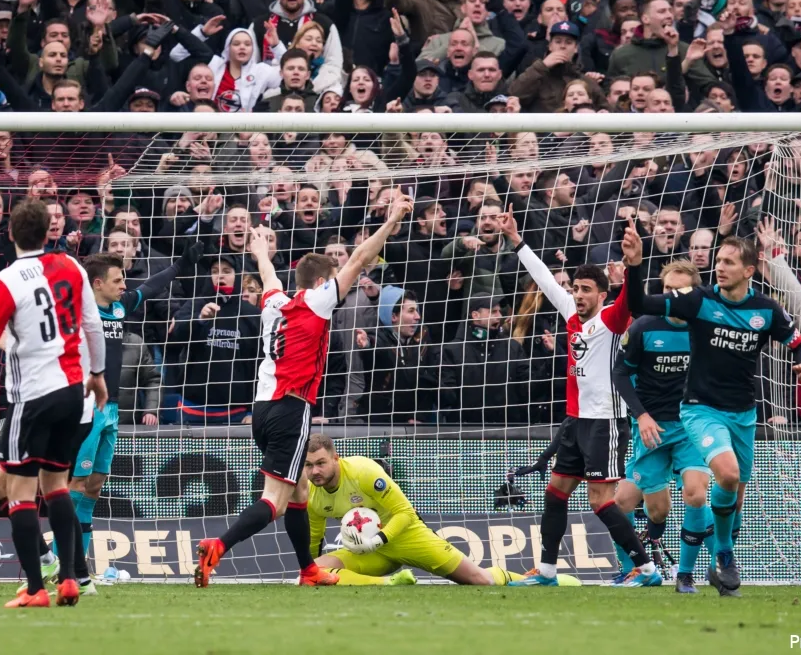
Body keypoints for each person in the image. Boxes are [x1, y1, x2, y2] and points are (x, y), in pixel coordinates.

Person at [193, 190, 415, 588]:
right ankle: (218, 545)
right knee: (275, 501)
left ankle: (308, 569)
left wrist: (260, 251)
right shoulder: (317, 301)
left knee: (298, 492)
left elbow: (269, 276)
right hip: (290, 410)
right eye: (334, 280)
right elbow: (361, 258)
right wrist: (391, 221)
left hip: (261, 409)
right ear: (320, 282)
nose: (340, 285)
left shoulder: (274, 303)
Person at [622, 228, 801, 597]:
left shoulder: (767, 310)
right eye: (718, 261)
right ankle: (716, 560)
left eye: (728, 262)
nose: (719, 268)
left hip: (743, 413)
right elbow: (639, 305)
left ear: (749, 270)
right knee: (723, 477)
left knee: (734, 497)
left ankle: (714, 559)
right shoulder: (698, 301)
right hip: (700, 409)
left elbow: (799, 344)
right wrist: (634, 265)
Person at [0, 199, 107, 608]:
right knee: (57, 486)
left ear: (10, 235)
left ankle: (35, 589)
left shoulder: (8, 280)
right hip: (71, 393)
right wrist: (97, 374)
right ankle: (69, 578)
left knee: (19, 491)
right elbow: (92, 324)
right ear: (50, 230)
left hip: (30, 396)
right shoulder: (72, 267)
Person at [498, 209, 661, 588]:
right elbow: (541, 275)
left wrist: (634, 264)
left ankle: (647, 569)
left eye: (587, 289)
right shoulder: (571, 312)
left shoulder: (611, 319)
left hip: (605, 420)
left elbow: (630, 300)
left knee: (600, 500)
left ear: (602, 295)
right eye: (576, 288)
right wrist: (516, 239)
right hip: (576, 420)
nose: (579, 295)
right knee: (555, 493)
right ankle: (548, 571)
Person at [62, 244, 202, 566]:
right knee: (76, 484)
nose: (124, 286)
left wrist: (180, 265)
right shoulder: (78, 311)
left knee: (95, 487)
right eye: (117, 280)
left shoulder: (121, 307)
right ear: (97, 284)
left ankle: (80, 564)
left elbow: (150, 287)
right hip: (87, 407)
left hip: (113, 411)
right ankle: (62, 562)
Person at [303, 434, 539, 586]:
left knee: (481, 581)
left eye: (321, 463)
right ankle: (392, 583)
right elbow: (314, 536)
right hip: (371, 552)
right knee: (317, 571)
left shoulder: (362, 471)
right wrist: (310, 569)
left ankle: (525, 579)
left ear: (335, 458)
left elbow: (405, 512)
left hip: (407, 535)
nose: (315, 471)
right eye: (309, 465)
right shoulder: (312, 494)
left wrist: (379, 539)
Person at [611, 260, 716, 593]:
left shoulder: (707, 327)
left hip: (692, 425)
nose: (674, 295)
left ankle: (717, 565)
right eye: (668, 288)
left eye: (681, 290)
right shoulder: (643, 327)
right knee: (631, 505)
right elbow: (620, 373)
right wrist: (640, 415)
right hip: (652, 428)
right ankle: (636, 570)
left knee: (696, 493)